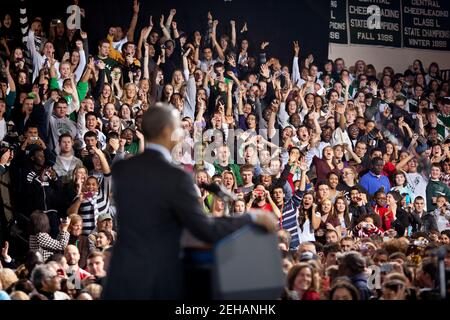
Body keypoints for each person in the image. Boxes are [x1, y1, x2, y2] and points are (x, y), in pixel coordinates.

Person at [103, 106, 276, 299]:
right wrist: (252, 216)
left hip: (120, 279)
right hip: (157, 281)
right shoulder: (176, 176)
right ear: (167, 131)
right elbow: (204, 229)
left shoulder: (123, 170)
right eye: (178, 127)